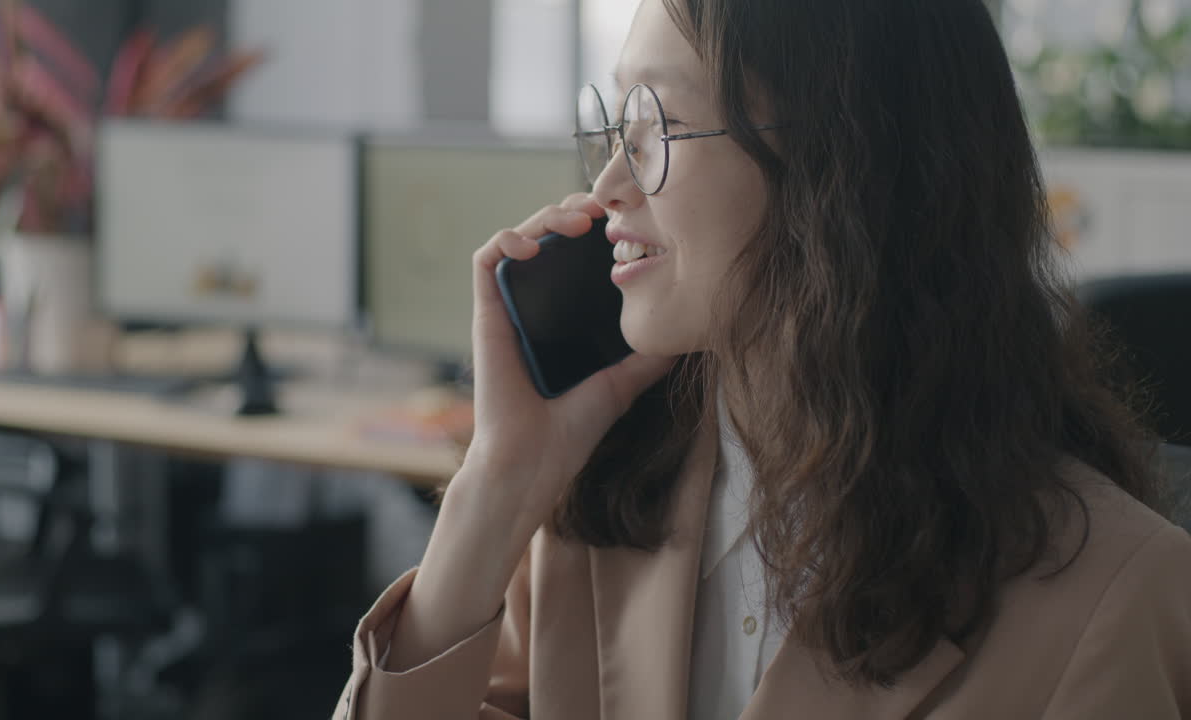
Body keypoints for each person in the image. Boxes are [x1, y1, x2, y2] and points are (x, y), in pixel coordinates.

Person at [334, 0, 1191, 718]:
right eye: (617, 124)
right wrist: (495, 483)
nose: (608, 190)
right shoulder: (594, 506)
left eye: (659, 124)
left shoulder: (1115, 594)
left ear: (842, 162)